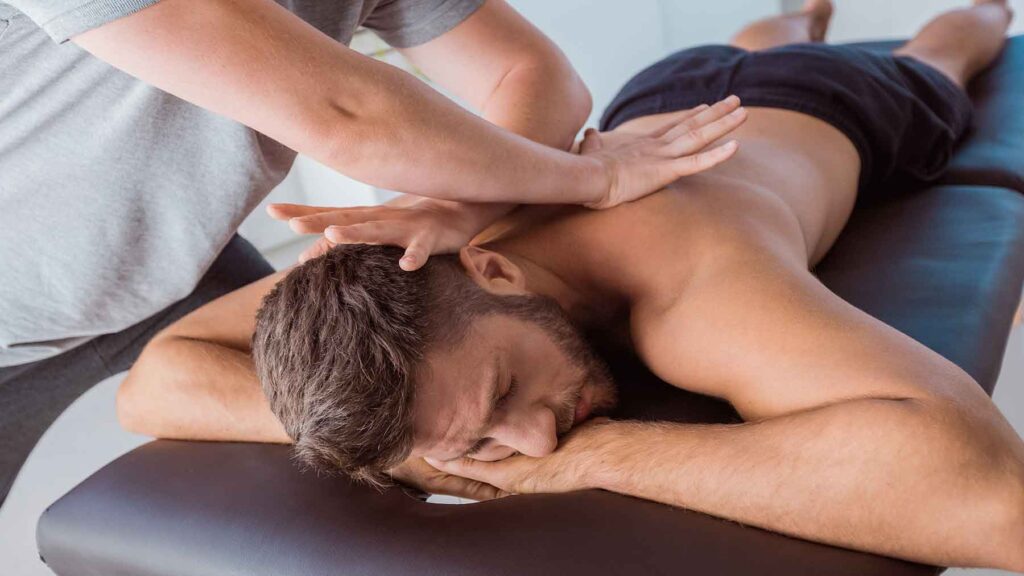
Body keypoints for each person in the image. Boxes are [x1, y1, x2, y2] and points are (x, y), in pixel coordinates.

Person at [118, 0, 1024, 570]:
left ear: (494, 268)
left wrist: (590, 460)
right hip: (657, 102)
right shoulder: (388, 263)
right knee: (753, 40)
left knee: (942, 57)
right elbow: (154, 379)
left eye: (507, 391)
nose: (534, 437)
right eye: (486, 439)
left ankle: (962, 14)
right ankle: (792, 15)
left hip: (839, 103)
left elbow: (998, 506)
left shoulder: (693, 293)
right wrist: (414, 445)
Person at [0, 0, 744, 507]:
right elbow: (346, 112)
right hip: (13, 317)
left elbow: (534, 78)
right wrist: (595, 176)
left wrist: (456, 209)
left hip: (180, 268)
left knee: (375, 429)